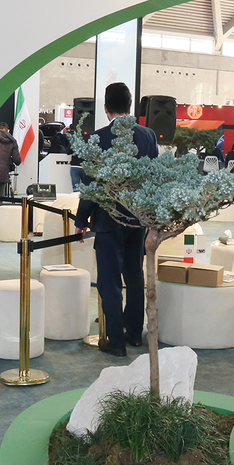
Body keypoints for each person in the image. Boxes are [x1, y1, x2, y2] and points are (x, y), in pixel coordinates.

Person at [74, 82, 158, 357]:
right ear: (130, 106)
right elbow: (153, 177)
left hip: (108, 219)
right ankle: (134, 333)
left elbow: (91, 185)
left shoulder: (98, 138)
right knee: (134, 276)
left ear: (105, 108)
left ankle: (115, 342)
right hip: (138, 218)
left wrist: (81, 218)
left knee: (109, 282)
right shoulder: (148, 135)